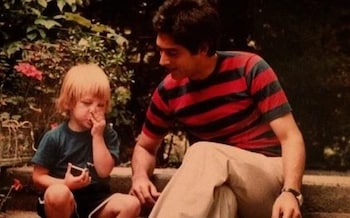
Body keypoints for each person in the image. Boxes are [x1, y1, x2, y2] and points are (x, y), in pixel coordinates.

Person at [129, 0, 306, 217]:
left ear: (203, 48)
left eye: (172, 53)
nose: (162, 60)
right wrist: (139, 177)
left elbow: (290, 137)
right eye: (161, 51)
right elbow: (145, 147)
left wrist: (291, 192)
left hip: (267, 181)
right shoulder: (168, 90)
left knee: (205, 151)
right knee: (222, 198)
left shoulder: (249, 68)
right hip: (219, 182)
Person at [31, 64, 141, 218]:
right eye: (87, 103)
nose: (94, 110)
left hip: (96, 200)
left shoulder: (107, 134)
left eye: (100, 105)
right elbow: (38, 177)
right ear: (69, 103)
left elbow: (104, 171)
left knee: (131, 204)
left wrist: (97, 136)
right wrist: (65, 184)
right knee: (57, 193)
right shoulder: (54, 137)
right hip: (63, 199)